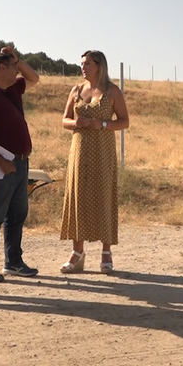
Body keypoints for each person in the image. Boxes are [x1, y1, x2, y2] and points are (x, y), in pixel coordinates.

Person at [59, 50, 129, 274]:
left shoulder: (112, 91)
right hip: (79, 150)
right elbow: (64, 120)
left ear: (99, 66)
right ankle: (77, 252)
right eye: (82, 63)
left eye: (87, 63)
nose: (83, 67)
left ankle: (106, 251)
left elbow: (125, 121)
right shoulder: (76, 90)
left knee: (103, 196)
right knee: (78, 197)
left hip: (103, 152)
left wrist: (105, 125)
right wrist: (76, 122)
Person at [0, 46, 40, 281]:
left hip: (21, 163)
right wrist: (1, 162)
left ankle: (13, 262)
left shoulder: (11, 89)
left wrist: (17, 59)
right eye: (13, 67)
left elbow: (34, 78)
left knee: (17, 215)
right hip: (2, 164)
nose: (17, 72)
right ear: (1, 68)